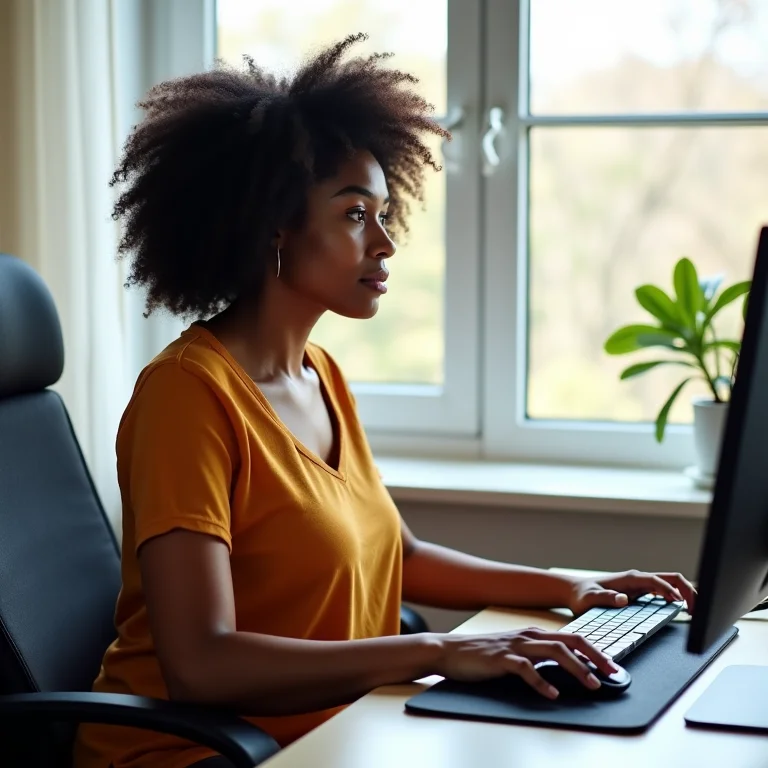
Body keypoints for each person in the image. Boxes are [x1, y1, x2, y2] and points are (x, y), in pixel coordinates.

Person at [73, 33, 697, 768]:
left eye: (384, 212)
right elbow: (202, 663)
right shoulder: (187, 397)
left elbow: (396, 555)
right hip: (191, 757)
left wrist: (572, 586)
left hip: (335, 735)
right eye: (354, 214)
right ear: (272, 227)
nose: (387, 243)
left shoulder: (322, 376)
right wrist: (439, 650)